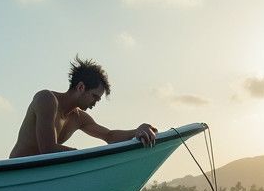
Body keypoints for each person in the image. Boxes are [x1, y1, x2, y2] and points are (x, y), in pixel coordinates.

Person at [9, 57, 157, 158]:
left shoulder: (79, 118)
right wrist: (82, 156)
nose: (95, 103)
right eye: (94, 97)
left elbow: (109, 136)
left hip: (42, 174)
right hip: (15, 173)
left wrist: (138, 130)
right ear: (81, 87)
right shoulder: (46, 99)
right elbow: (47, 148)